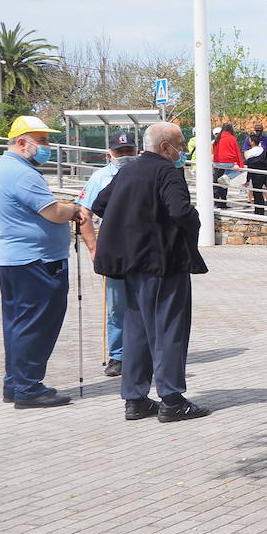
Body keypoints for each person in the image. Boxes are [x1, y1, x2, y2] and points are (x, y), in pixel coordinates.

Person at [91, 122, 210, 422]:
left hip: (132, 266)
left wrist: (134, 224)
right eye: (180, 144)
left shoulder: (127, 170)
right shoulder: (166, 171)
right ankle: (171, 400)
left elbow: (100, 204)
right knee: (168, 330)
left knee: (137, 332)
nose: (183, 150)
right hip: (163, 265)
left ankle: (135, 399)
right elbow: (181, 212)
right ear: (165, 147)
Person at [0, 116, 86, 409]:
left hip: (16, 261)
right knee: (36, 324)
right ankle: (28, 388)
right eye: (42, 141)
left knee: (18, 324)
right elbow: (52, 212)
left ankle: (15, 383)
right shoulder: (21, 173)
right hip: (37, 262)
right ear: (21, 143)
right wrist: (74, 209)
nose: (47, 147)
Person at [76, 132, 138, 378]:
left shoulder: (143, 174)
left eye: (128, 151)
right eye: (120, 151)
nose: (124, 155)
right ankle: (118, 355)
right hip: (114, 250)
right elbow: (84, 215)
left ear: (136, 151)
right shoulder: (100, 178)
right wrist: (93, 248)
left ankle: (144, 351)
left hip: (143, 249)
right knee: (116, 306)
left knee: (145, 302)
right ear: (110, 153)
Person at [212, 124, 244, 209]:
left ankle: (216, 201)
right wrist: (240, 165)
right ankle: (223, 202)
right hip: (229, 163)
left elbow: (214, 150)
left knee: (217, 183)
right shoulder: (232, 138)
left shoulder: (218, 138)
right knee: (225, 182)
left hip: (218, 163)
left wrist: (215, 162)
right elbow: (237, 152)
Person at [243, 134, 267, 215]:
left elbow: (250, 164)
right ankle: (260, 210)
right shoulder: (263, 150)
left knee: (257, 192)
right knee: (259, 192)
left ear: (252, 142)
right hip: (263, 174)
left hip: (255, 174)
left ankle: (258, 211)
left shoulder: (251, 152)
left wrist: (248, 179)